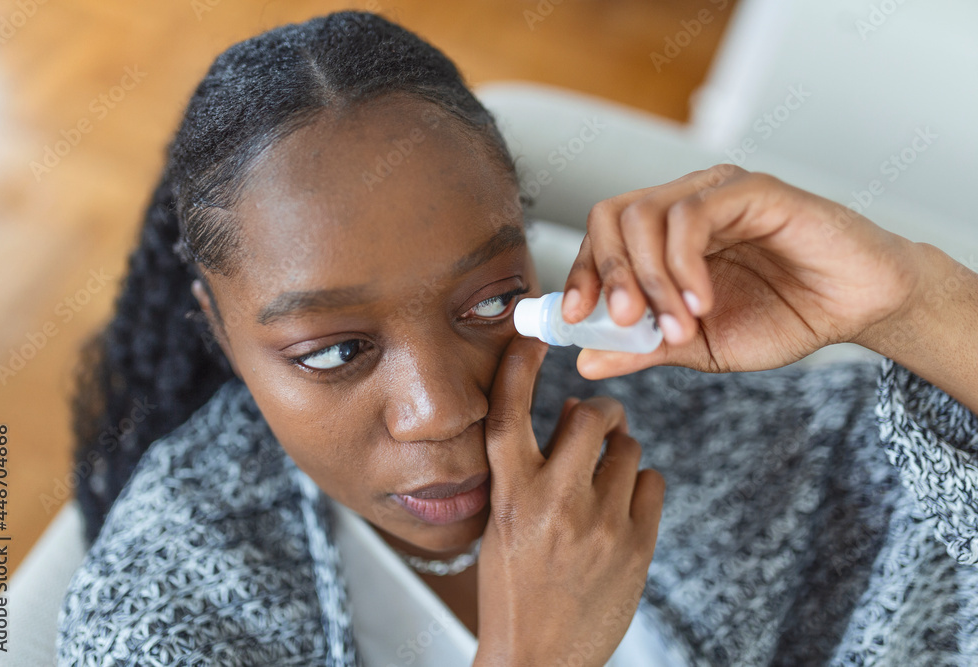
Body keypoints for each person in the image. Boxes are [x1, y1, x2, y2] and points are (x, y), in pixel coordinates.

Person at [56, 10, 978, 666]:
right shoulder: (166, 615)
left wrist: (914, 299)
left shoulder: (666, 411)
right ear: (216, 327)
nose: (442, 409)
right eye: (335, 351)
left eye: (489, 300)